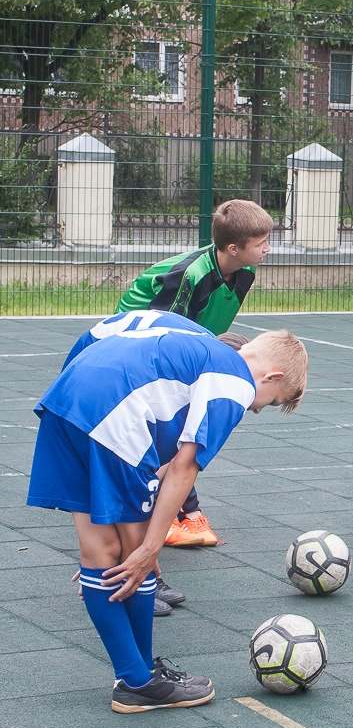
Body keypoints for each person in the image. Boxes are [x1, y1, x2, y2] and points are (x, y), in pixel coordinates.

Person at [27, 325, 307, 712]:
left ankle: (139, 674)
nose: (258, 409)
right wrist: (151, 547)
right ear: (272, 376)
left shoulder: (200, 350)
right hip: (116, 415)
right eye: (271, 401)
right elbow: (183, 468)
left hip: (67, 399)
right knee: (136, 555)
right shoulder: (236, 382)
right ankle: (138, 682)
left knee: (100, 553)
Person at [117, 198, 276, 549]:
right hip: (137, 340)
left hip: (185, 340)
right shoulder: (189, 276)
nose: (268, 247)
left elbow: (212, 321)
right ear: (234, 248)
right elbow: (162, 332)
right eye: (261, 242)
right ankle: (163, 511)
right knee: (165, 428)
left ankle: (183, 511)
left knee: (189, 423)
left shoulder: (245, 270)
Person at [63, 311, 221, 616]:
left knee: (130, 502)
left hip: (105, 368)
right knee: (122, 498)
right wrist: (146, 549)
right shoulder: (197, 380)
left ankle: (119, 572)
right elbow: (163, 473)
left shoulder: (196, 366)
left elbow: (166, 467)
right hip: (99, 371)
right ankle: (115, 575)